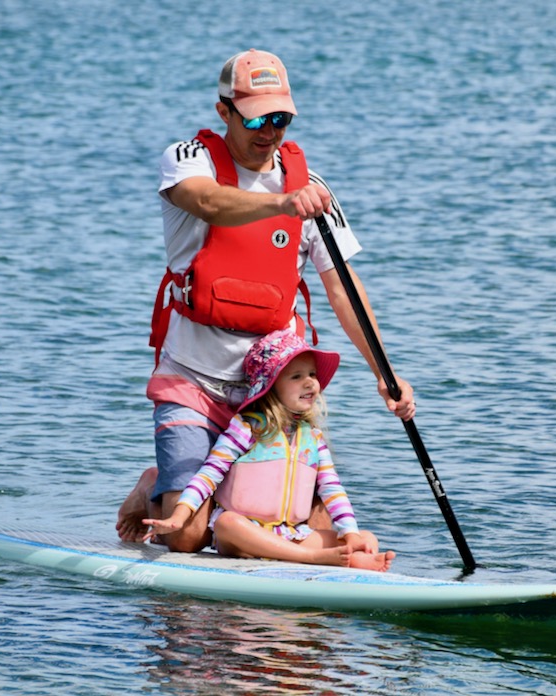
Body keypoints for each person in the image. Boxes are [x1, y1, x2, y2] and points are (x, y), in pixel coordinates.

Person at [116, 49, 415, 550]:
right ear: (224, 111)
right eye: (256, 117)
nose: (269, 131)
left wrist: (384, 372)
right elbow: (208, 201)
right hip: (193, 378)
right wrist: (281, 203)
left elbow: (341, 285)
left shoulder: (313, 187)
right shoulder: (190, 160)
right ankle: (155, 487)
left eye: (281, 118)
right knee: (185, 539)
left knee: (315, 530)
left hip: (273, 388)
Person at [142, 330, 396, 571]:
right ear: (271, 387)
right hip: (242, 536)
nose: (309, 382)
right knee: (226, 522)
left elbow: (332, 490)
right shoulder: (246, 428)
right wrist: (179, 514)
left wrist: (350, 534)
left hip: (290, 535)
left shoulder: (313, 438)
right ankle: (311, 558)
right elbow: (209, 475)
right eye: (296, 377)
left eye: (312, 374)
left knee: (366, 537)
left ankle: (354, 560)